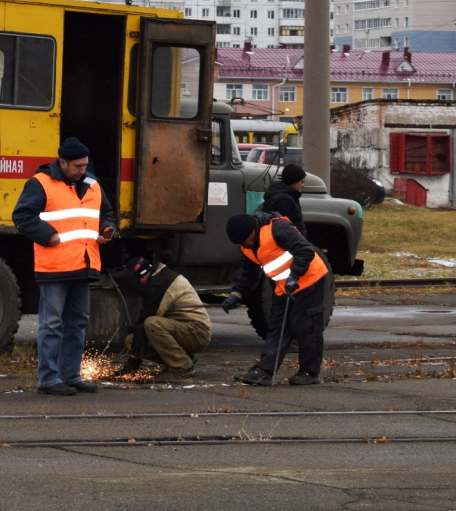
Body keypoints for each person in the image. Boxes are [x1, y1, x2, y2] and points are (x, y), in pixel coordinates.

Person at [12, 137, 116, 396]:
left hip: (83, 263)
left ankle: (70, 375)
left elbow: (107, 214)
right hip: (55, 265)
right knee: (53, 323)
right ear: (63, 162)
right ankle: (49, 380)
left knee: (77, 322)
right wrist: (48, 235)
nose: (83, 170)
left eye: (85, 165)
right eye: (77, 166)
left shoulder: (92, 184)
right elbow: (22, 216)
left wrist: (108, 229)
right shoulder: (41, 183)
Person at [221, 211, 330, 386]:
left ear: (252, 231)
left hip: (310, 279)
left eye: (244, 240)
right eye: (240, 243)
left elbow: (305, 250)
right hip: (283, 288)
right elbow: (249, 275)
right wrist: (236, 295)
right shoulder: (247, 246)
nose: (244, 245)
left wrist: (294, 275)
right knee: (277, 328)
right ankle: (264, 371)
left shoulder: (277, 229)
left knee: (306, 326)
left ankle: (309, 372)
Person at [113, 258, 212, 381]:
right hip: (184, 329)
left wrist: (133, 361)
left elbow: (144, 323)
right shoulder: (158, 277)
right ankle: (184, 357)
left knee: (151, 323)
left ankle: (182, 367)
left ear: (142, 277)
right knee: (131, 341)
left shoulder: (161, 284)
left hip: (197, 332)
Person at [258, 163, 308, 238]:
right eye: (301, 182)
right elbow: (284, 230)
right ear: (293, 182)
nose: (303, 185)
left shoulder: (284, 196)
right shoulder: (283, 200)